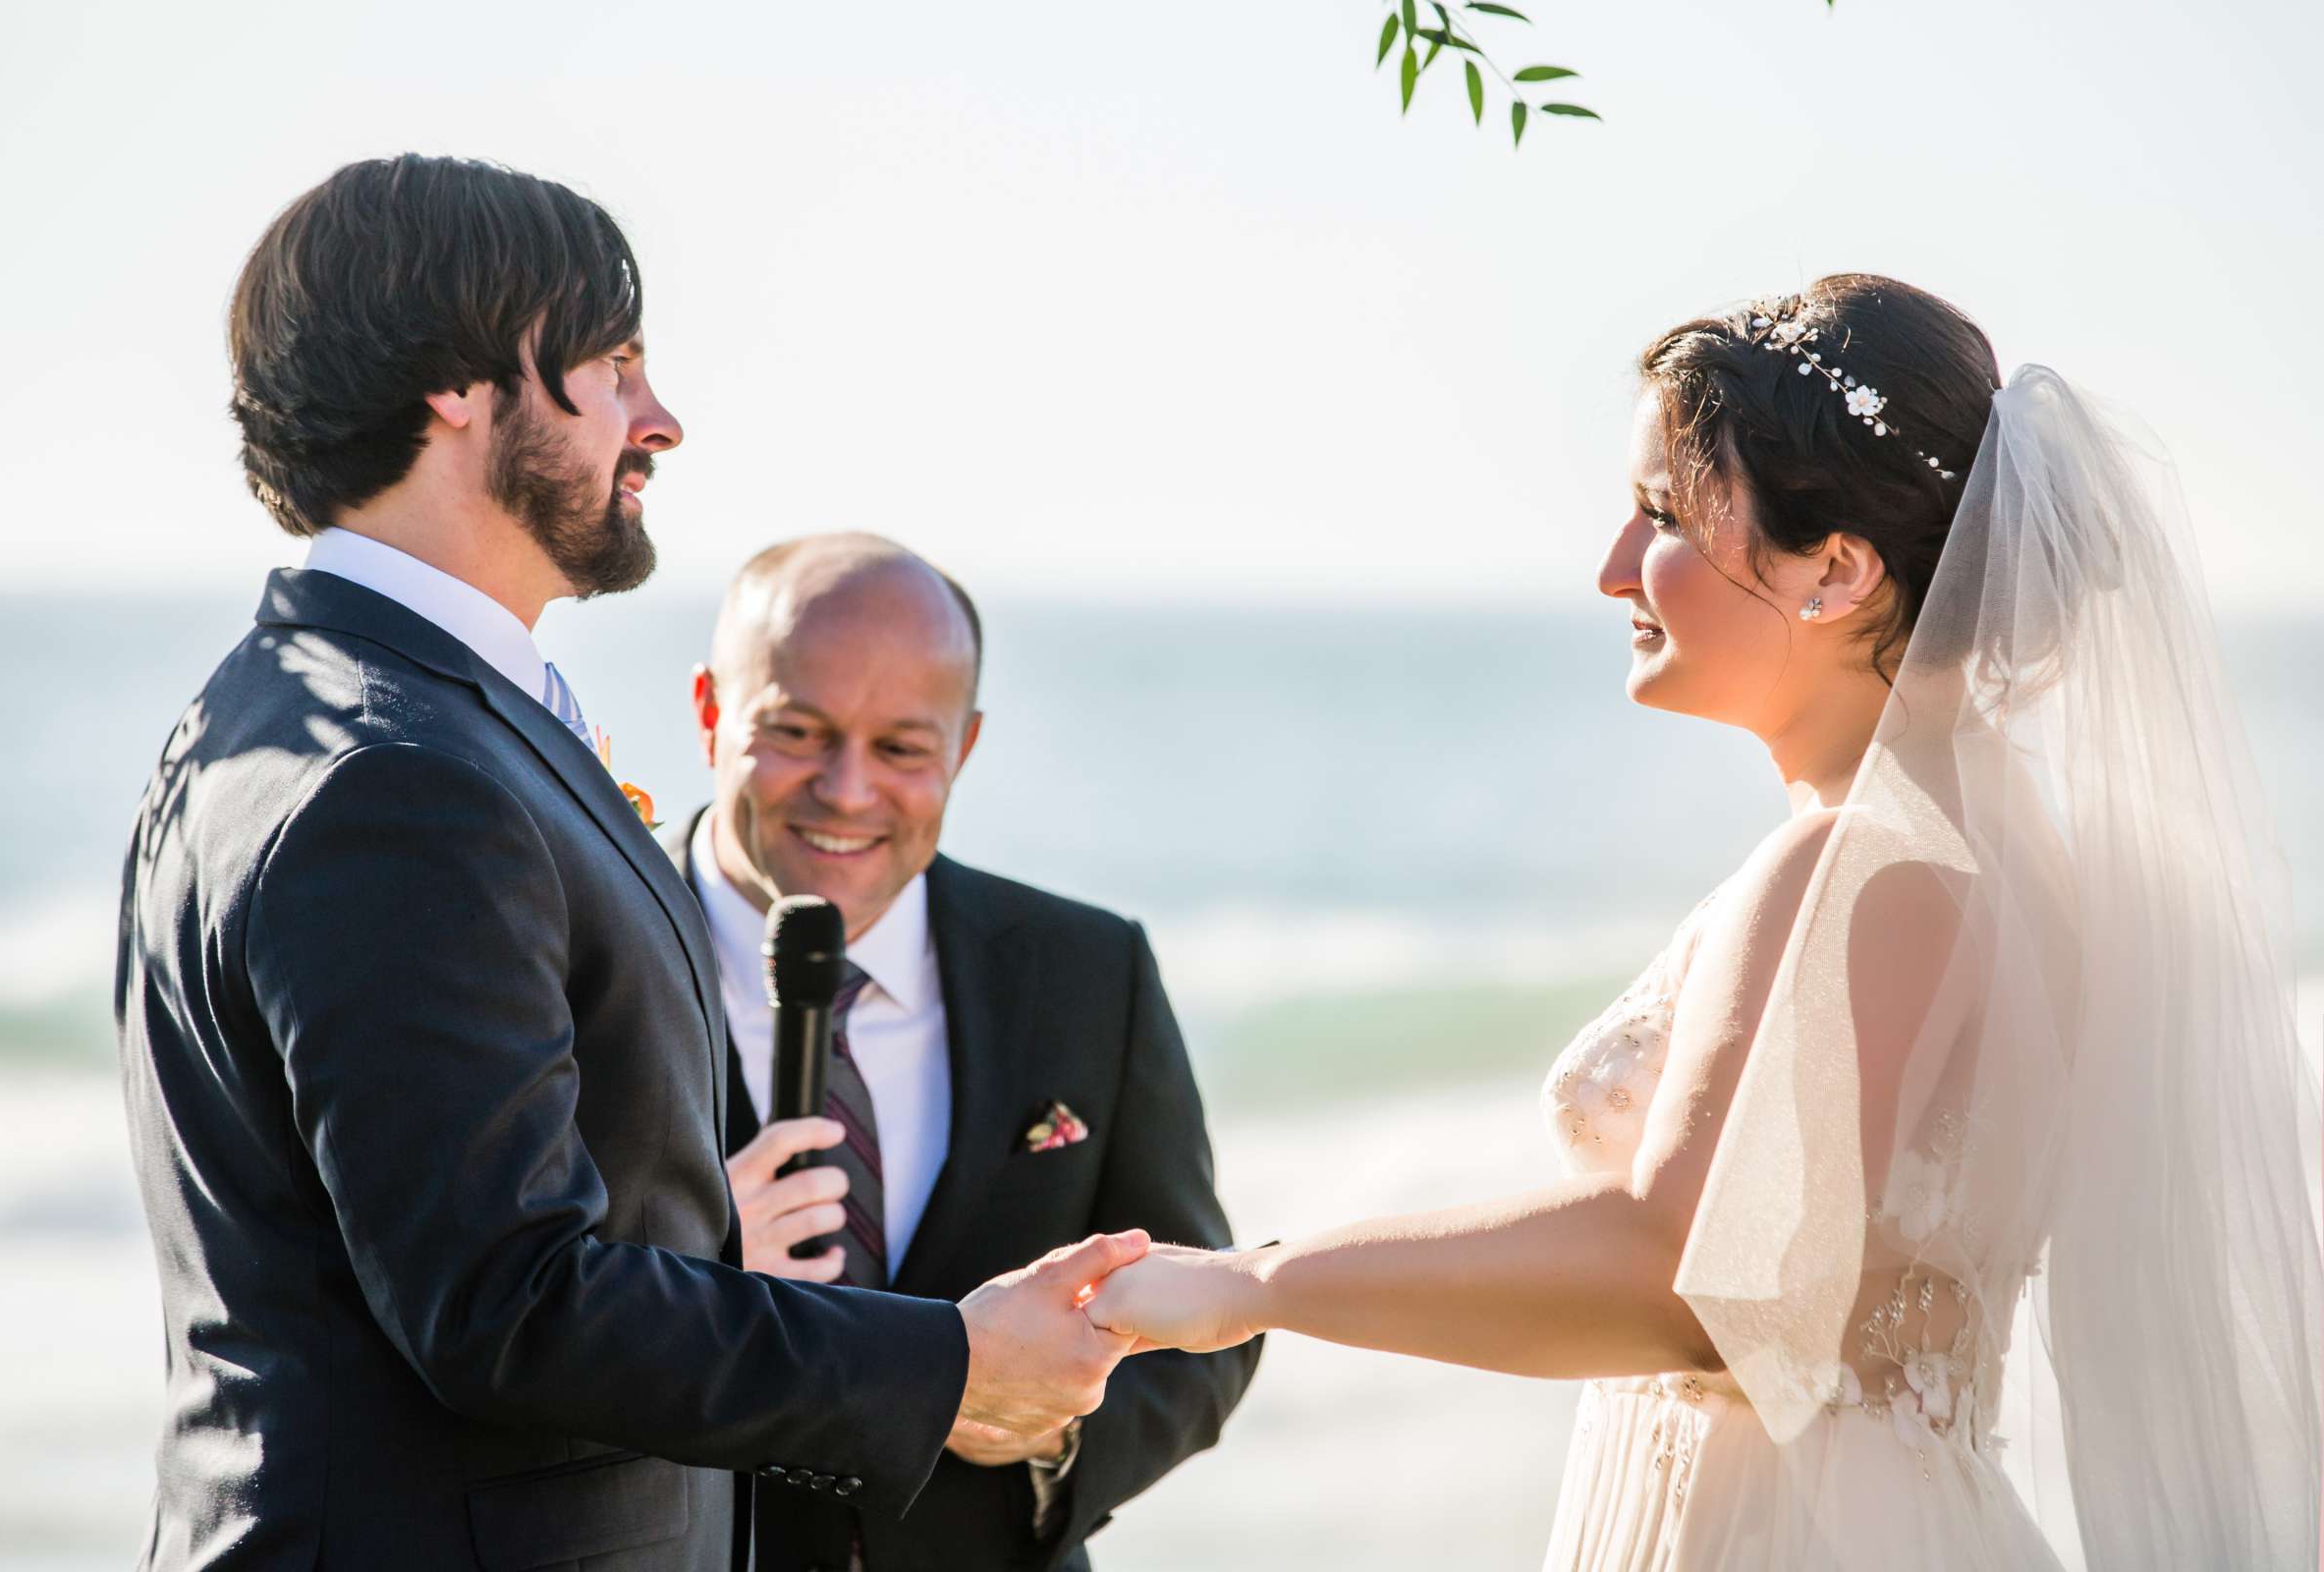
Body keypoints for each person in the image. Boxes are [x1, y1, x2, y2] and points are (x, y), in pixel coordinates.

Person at [1081, 274, 2324, 1568]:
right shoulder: (2026, 865)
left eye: (1663, 515)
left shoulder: (1867, 866)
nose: (1616, 566)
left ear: (1835, 568)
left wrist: (1247, 1286)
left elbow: (1681, 1275)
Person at [114, 155, 1143, 1571]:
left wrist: (709, 1240)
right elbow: (507, 1306)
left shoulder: (320, 704)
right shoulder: (397, 778)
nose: (656, 421)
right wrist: (948, 1362)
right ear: (459, 388)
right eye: (611, 366)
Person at [657, 533, 1259, 1569]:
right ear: (713, 710)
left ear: (965, 747)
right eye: (799, 731)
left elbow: (1207, 1316)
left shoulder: (1087, 969)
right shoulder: (577, 953)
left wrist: (1046, 1432)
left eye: (900, 749)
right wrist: (688, 1278)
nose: (847, 791)